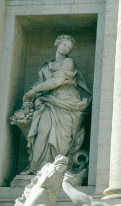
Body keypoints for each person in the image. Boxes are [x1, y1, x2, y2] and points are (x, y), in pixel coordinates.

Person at [18, 35, 91, 174]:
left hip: (66, 103)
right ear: (57, 43)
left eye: (69, 47)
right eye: (64, 45)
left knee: (62, 138)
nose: (66, 48)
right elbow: (41, 83)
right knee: (43, 130)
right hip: (49, 102)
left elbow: (56, 82)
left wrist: (34, 91)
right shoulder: (46, 66)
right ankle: (36, 166)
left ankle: (56, 170)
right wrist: (32, 95)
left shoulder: (68, 62)